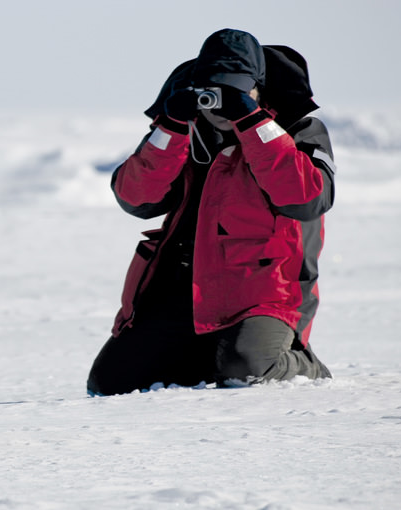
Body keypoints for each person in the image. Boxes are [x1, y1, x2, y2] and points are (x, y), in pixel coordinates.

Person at [87, 29, 335, 395]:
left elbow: (306, 198)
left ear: (258, 89)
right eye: (214, 91)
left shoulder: (298, 130)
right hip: (183, 286)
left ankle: (306, 365)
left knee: (246, 371)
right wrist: (170, 127)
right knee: (110, 383)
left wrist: (252, 122)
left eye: (237, 91)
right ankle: (209, 359)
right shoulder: (184, 128)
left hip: (264, 291)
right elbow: (135, 199)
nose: (220, 105)